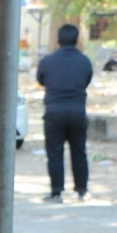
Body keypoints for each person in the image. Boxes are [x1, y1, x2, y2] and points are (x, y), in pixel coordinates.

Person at [37, 23, 94, 202]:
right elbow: (87, 80)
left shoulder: (47, 61)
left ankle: (57, 192)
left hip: (54, 111)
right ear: (77, 40)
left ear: (58, 40)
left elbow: (41, 80)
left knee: (55, 152)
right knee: (79, 151)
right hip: (77, 111)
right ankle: (81, 190)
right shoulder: (84, 61)